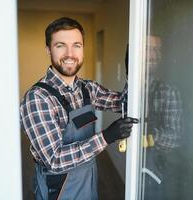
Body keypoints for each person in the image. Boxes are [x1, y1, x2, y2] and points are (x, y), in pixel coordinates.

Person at [20, 17, 138, 200]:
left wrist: (133, 72)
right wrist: (107, 136)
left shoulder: (87, 88)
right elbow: (54, 160)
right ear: (48, 50)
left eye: (77, 45)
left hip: (87, 180)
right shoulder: (37, 98)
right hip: (58, 189)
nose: (70, 53)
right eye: (60, 45)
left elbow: (121, 103)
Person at [141, 35, 184, 199]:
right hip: (131, 165)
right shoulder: (128, 89)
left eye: (157, 50)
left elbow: (175, 138)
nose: (153, 55)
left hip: (155, 169)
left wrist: (149, 135)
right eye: (147, 48)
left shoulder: (167, 91)